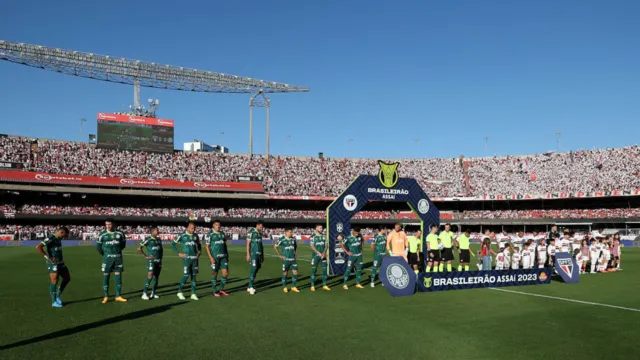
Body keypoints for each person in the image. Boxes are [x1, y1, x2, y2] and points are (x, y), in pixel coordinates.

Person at [36, 226, 70, 307]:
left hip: (60, 262)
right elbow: (38, 247)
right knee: (54, 280)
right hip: (53, 263)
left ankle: (58, 295)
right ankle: (54, 301)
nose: (64, 237)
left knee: (67, 278)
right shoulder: (51, 237)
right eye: (64, 235)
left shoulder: (59, 238)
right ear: (61, 232)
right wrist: (48, 257)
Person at [97, 219, 127, 303]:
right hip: (107, 259)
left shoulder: (120, 233)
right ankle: (106, 296)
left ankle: (118, 295)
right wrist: (106, 255)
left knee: (118, 275)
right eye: (106, 224)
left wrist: (116, 252)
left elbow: (123, 245)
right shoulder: (102, 234)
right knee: (106, 275)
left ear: (113, 224)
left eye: (109, 224)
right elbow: (99, 248)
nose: (108, 226)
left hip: (118, 258)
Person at [172, 221, 201, 301]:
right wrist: (179, 253)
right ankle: (180, 292)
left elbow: (199, 244)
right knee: (186, 275)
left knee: (194, 276)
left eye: (194, 228)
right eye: (192, 228)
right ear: (188, 227)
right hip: (186, 259)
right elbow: (173, 244)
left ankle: (193, 293)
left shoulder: (195, 236)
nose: (193, 230)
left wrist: (199, 251)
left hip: (194, 258)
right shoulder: (181, 235)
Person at [138, 225, 163, 300]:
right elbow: (139, 248)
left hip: (159, 261)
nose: (158, 231)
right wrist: (145, 256)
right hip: (151, 261)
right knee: (150, 275)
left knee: (156, 277)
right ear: (153, 231)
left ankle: (153, 293)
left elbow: (161, 249)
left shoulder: (159, 239)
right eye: (156, 230)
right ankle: (144, 293)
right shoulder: (147, 239)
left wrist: (161, 258)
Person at [205, 220, 229, 297]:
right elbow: (207, 246)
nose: (218, 226)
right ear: (213, 225)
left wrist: (227, 254)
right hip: (215, 257)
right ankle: (214, 290)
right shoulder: (210, 234)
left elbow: (224, 245)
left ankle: (221, 289)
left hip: (223, 257)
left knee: (225, 273)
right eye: (216, 225)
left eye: (219, 225)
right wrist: (210, 257)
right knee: (215, 273)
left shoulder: (222, 234)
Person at [274, 227, 299, 293]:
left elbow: (296, 246)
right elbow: (275, 246)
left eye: (291, 232)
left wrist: (296, 253)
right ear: (286, 232)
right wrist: (280, 255)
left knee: (295, 272)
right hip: (286, 260)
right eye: (290, 232)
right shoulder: (282, 239)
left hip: (293, 259)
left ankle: (293, 287)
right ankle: (285, 287)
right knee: (285, 273)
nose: (291, 233)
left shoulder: (293, 239)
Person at [246, 221, 265, 295]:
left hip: (259, 254)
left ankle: (249, 286)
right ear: (257, 225)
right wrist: (248, 254)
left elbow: (261, 245)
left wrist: (262, 255)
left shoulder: (260, 233)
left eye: (262, 227)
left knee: (257, 268)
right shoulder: (251, 232)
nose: (261, 228)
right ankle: (250, 287)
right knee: (253, 268)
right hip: (253, 254)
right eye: (260, 226)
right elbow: (248, 244)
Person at [309, 224, 330, 291]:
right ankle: (312, 285)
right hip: (315, 256)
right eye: (320, 228)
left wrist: (324, 253)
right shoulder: (313, 236)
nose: (322, 229)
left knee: (324, 270)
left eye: (322, 228)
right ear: (316, 228)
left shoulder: (324, 236)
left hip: (323, 256)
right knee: (314, 270)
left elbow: (326, 245)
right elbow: (312, 246)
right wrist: (318, 253)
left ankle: (324, 285)